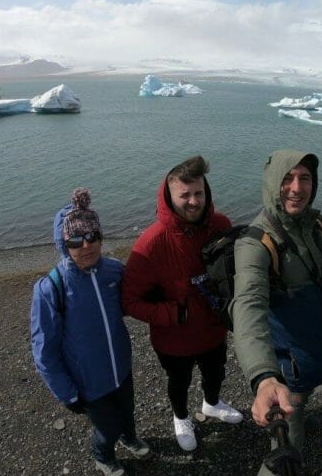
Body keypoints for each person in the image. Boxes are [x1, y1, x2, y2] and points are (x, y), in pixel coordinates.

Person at [230, 149, 322, 475]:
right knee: (288, 447)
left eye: (305, 178)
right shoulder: (255, 244)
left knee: (301, 403)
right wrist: (264, 377)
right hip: (288, 364)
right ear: (273, 183)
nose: (296, 187)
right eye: (287, 178)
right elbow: (248, 307)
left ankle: (301, 411)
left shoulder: (314, 225)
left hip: (312, 347)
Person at [122, 156, 243, 452]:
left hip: (214, 329)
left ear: (207, 192)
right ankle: (181, 416)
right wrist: (173, 313)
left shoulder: (221, 224)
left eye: (198, 193)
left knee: (216, 372)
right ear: (169, 196)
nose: (193, 201)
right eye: (184, 195)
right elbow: (129, 301)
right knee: (179, 381)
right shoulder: (150, 243)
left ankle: (212, 403)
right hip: (174, 338)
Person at [31, 188, 149, 476]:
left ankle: (128, 436)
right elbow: (43, 351)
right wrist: (67, 394)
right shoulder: (51, 289)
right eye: (75, 240)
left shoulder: (112, 271)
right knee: (106, 427)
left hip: (120, 367)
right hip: (87, 382)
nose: (86, 246)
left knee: (127, 412)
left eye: (92, 236)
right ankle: (102, 453)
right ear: (63, 243)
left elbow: (132, 300)